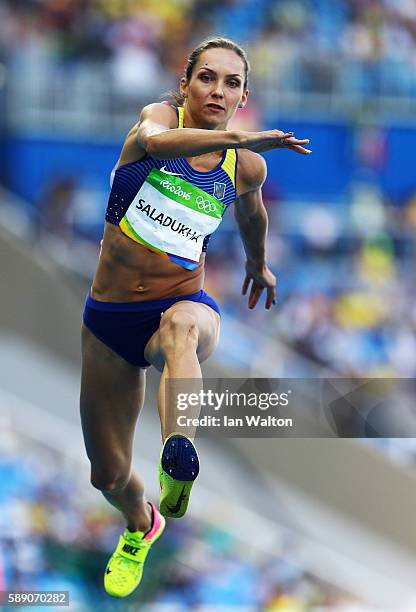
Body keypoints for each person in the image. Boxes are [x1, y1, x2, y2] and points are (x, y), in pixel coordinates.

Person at [80, 36, 311, 599]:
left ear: (243, 95)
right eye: (207, 78)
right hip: (110, 319)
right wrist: (239, 135)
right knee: (107, 476)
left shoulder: (244, 167)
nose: (218, 90)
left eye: (232, 83)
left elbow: (252, 216)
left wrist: (259, 265)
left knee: (183, 329)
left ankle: (177, 458)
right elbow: (158, 143)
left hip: (181, 304)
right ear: (185, 85)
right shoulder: (155, 123)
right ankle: (141, 524)